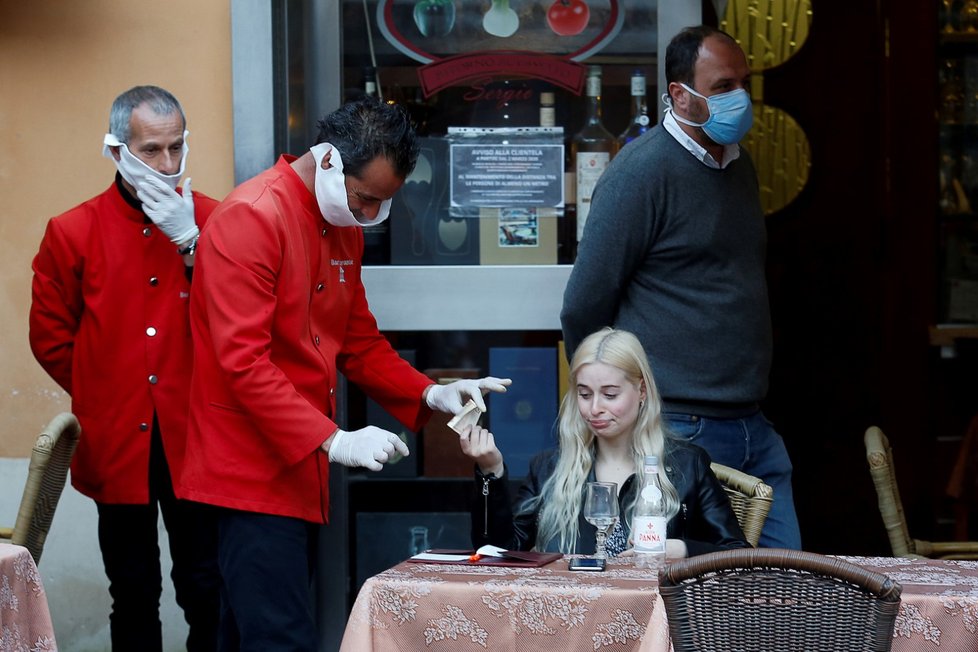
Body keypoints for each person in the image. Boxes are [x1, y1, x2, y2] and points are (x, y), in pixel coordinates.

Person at [176, 96, 510, 651]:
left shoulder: (341, 221)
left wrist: (431, 392)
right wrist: (332, 439)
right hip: (245, 469)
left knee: (248, 633)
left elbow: (358, 341)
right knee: (279, 637)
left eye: (385, 202)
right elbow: (242, 362)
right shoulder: (251, 217)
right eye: (367, 198)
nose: (372, 213)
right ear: (328, 161)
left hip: (297, 463)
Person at [559, 25, 802, 550]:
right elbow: (584, 305)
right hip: (678, 429)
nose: (738, 97)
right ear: (678, 94)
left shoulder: (738, 165)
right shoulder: (640, 174)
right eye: (721, 86)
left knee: (789, 591)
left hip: (751, 423)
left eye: (742, 83)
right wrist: (609, 396)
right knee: (698, 604)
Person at [29, 85, 222, 651]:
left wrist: (193, 246)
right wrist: (108, 388)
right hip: (118, 441)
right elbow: (51, 337)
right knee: (132, 588)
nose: (167, 164)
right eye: (151, 150)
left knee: (206, 584)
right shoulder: (72, 230)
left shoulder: (214, 219)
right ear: (116, 150)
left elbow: (237, 322)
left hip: (198, 438)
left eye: (176, 148)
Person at [461, 328, 749, 560]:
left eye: (610, 394)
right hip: (569, 621)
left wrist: (681, 549)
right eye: (585, 394)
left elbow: (740, 556)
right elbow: (495, 554)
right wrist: (491, 472)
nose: (594, 408)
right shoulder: (550, 467)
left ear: (642, 391)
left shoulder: (687, 465)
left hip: (659, 622)